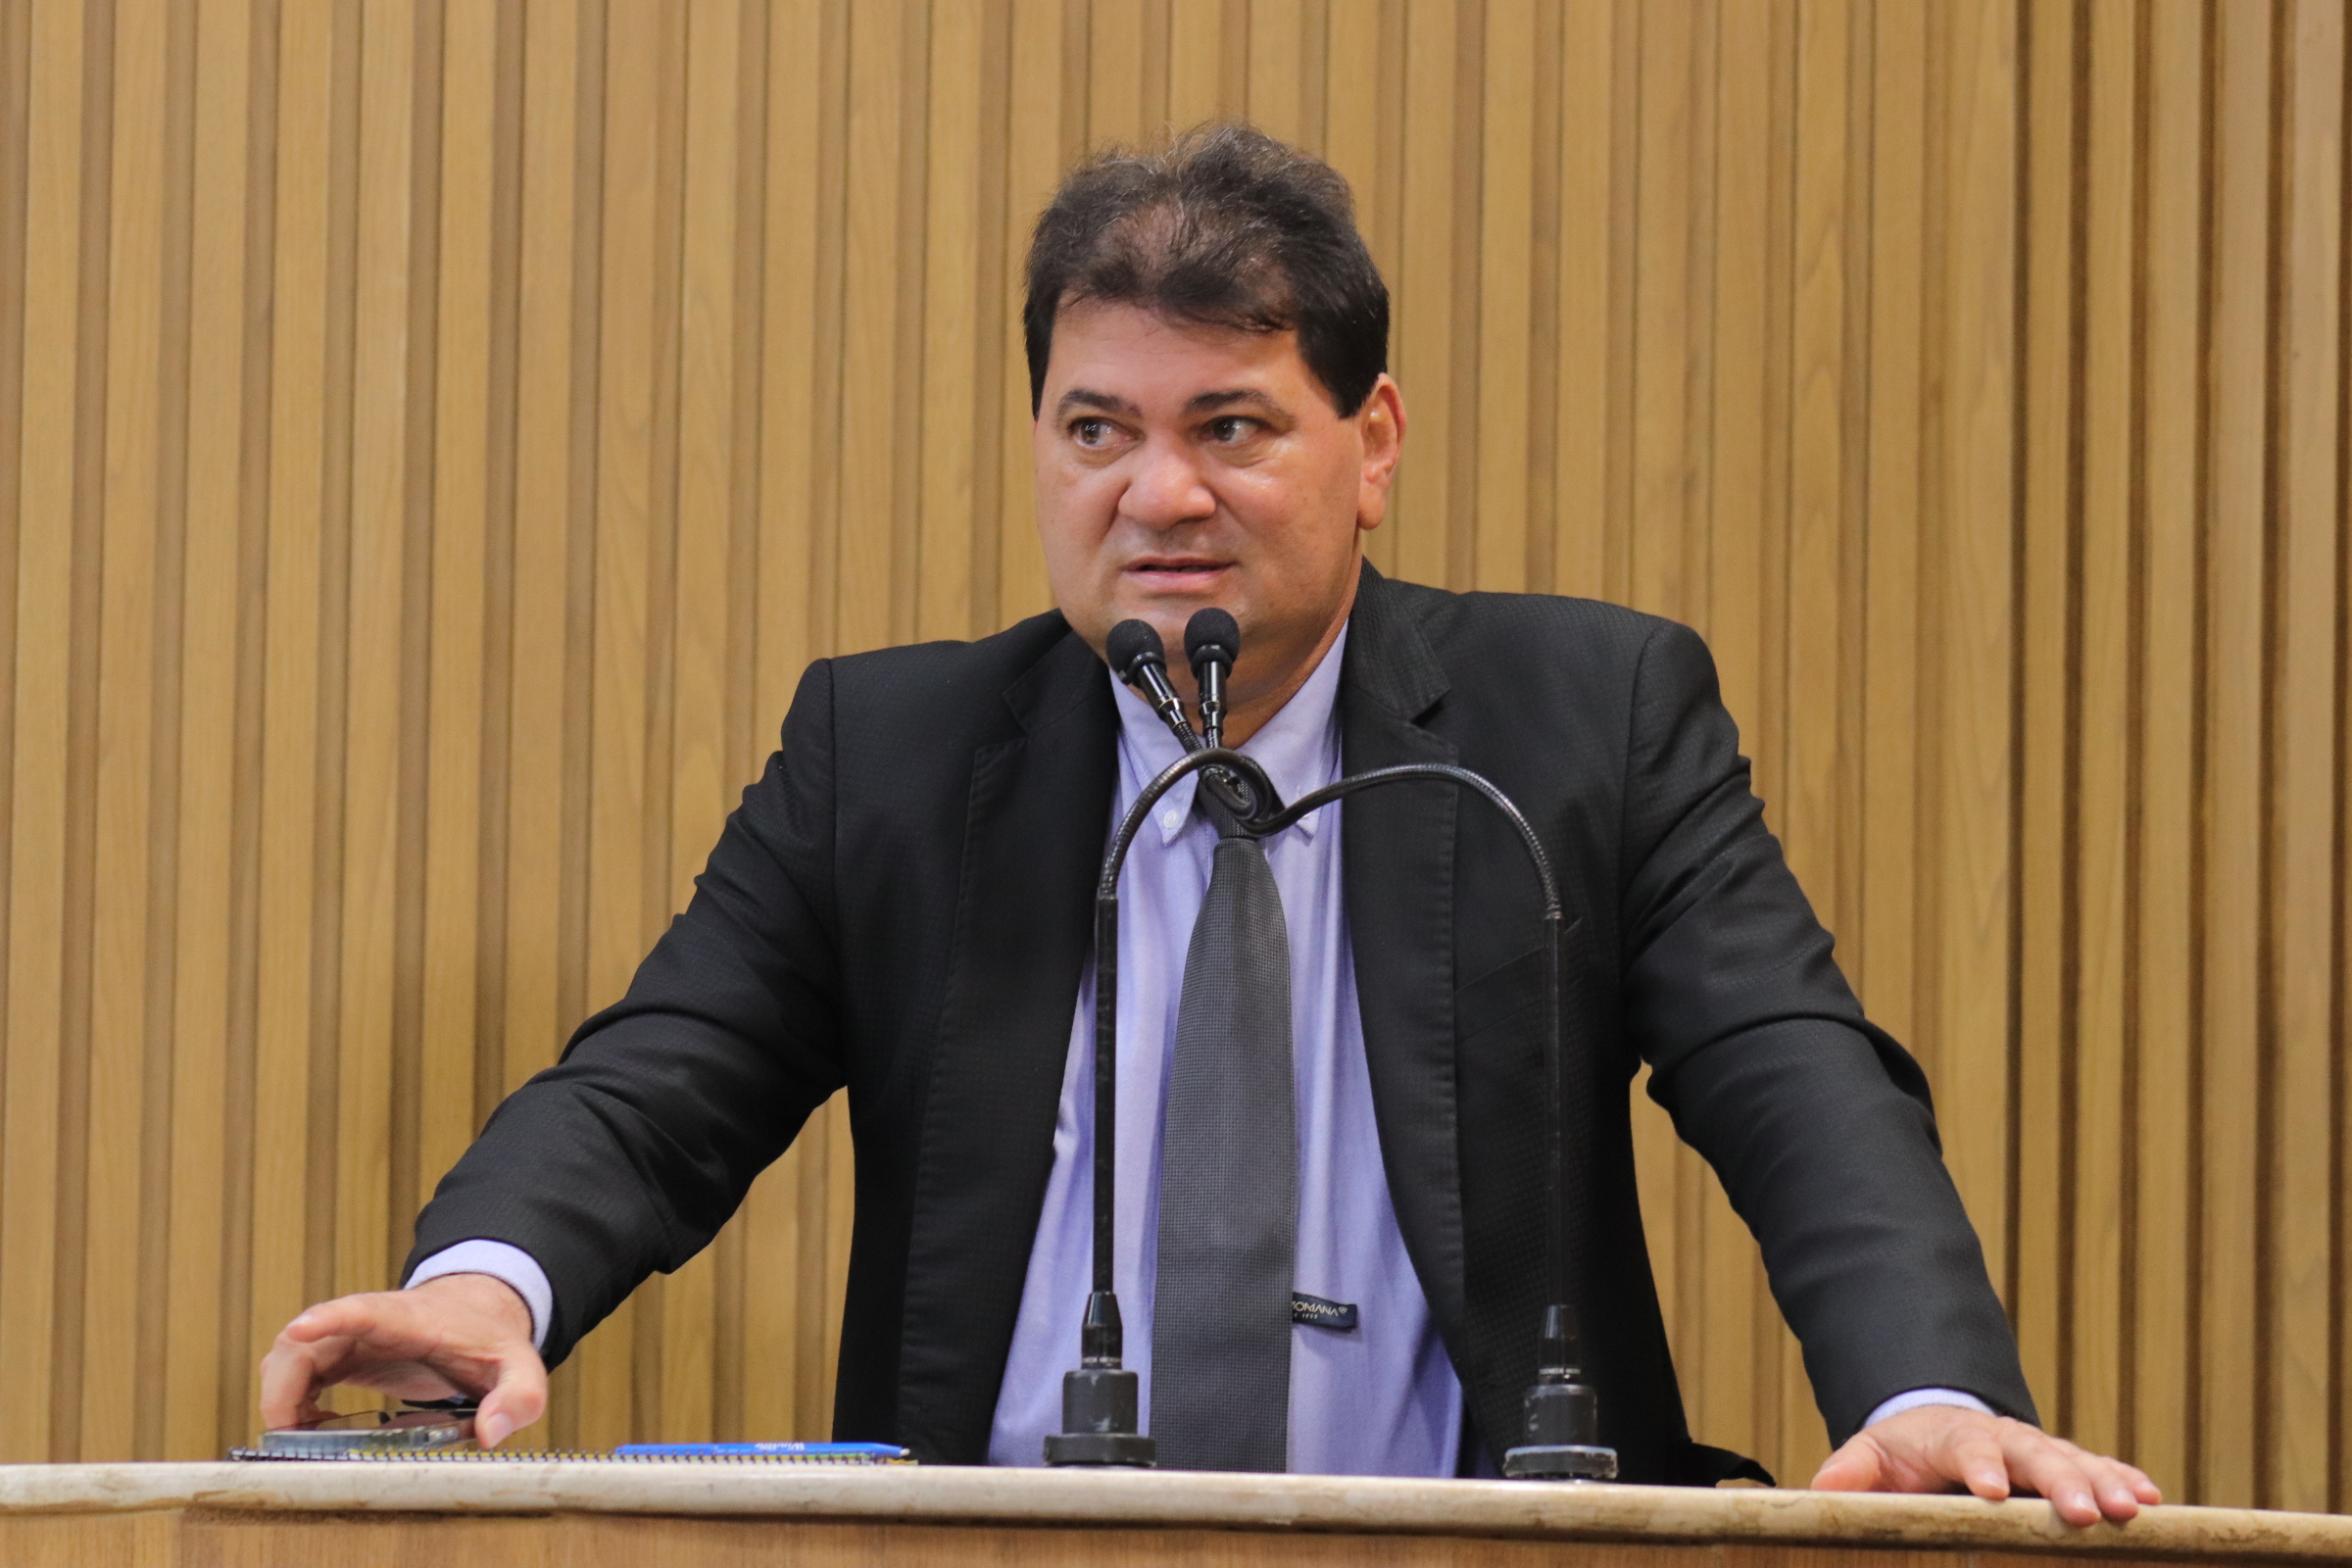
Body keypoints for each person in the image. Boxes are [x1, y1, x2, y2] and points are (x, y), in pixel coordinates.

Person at [263, 125, 2156, 1520]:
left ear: (1372, 444)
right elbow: (662, 1076)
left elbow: (1795, 1073)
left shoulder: (1582, 720)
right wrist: (479, 1286)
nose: (1157, 494)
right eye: (1097, 430)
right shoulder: (895, 752)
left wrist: (1921, 1389)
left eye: (1231, 427)